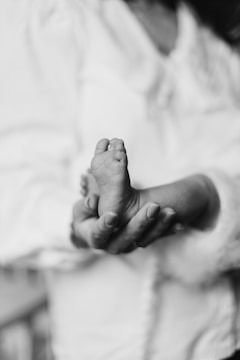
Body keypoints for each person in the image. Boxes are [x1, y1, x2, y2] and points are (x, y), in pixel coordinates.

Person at [1, 1, 240, 360]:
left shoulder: (208, 35)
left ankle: (174, 196)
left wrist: (209, 195)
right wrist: (77, 221)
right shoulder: (47, 14)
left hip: (223, 339)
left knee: (205, 188)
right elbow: (13, 195)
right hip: (115, 347)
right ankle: (123, 201)